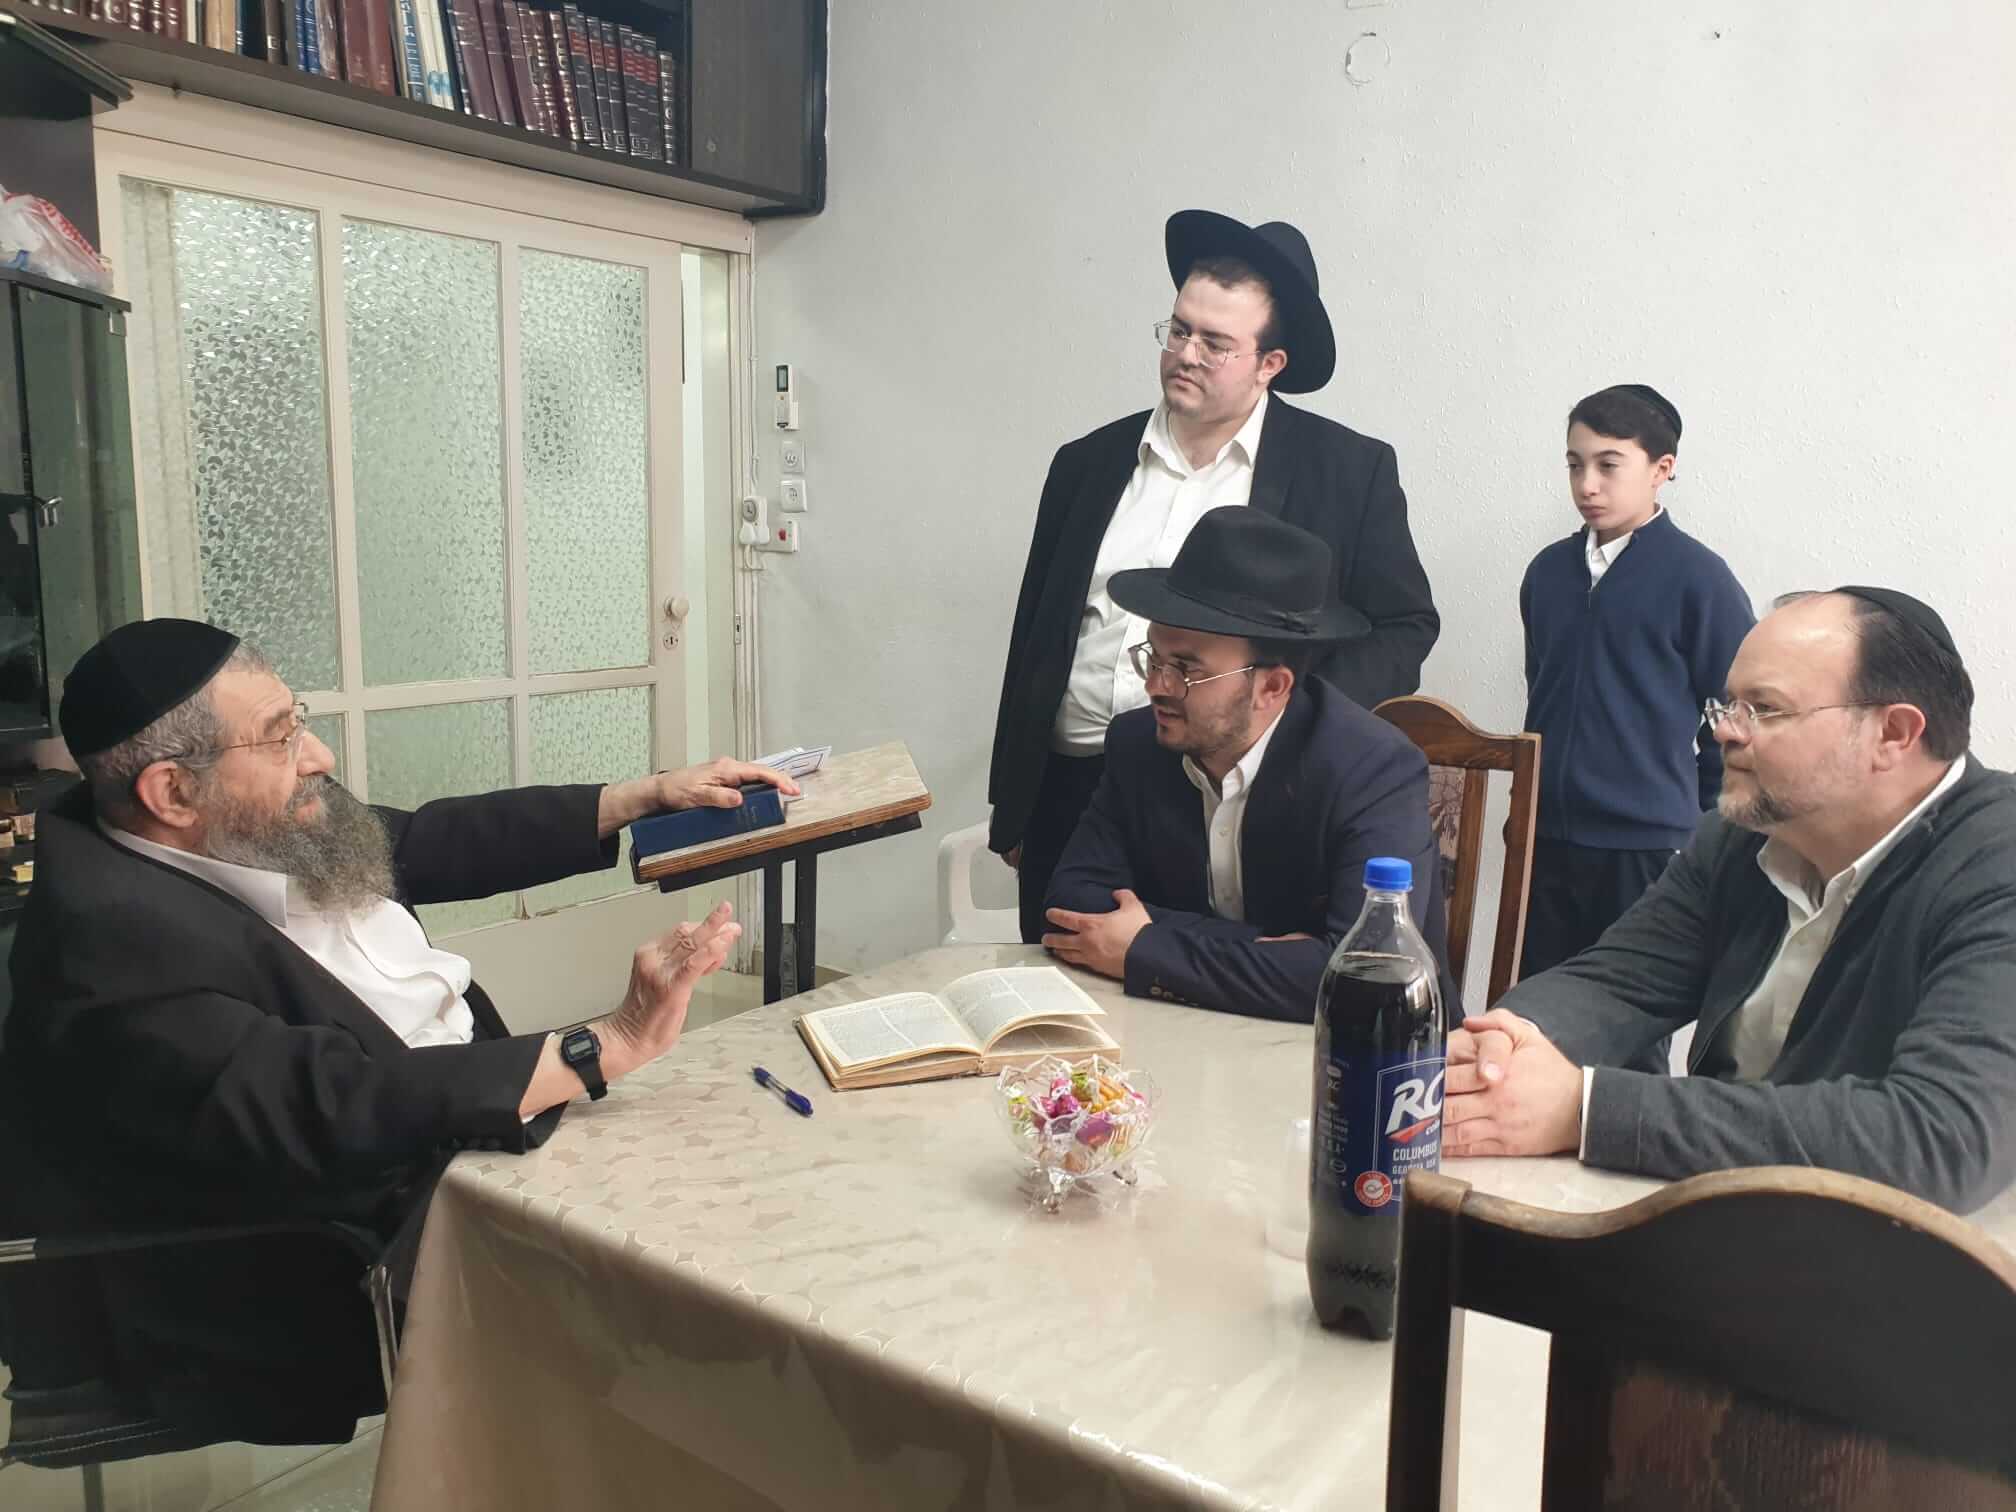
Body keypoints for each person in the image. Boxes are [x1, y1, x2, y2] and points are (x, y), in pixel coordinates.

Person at [0, 617, 795, 1441]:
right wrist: (602, 1044)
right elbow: (323, 1100)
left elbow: (415, 840)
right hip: (335, 1244)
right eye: (279, 737)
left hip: (460, 1128)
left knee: (742, 1176)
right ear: (172, 792)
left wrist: (644, 796)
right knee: (692, 1318)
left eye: (298, 720)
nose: (318, 756)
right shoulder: (106, 943)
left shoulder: (243, 814)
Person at [1443, 588, 2016, 1215]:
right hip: (1717, 1220)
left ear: (1894, 733)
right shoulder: (1742, 837)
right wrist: (1504, 1048)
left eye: (1764, 709)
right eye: (1727, 704)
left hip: (1896, 1257)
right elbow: (1616, 982)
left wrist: (1585, 1109)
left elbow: (1943, 1137)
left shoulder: (1997, 861)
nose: (1723, 730)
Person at [989, 209, 1440, 944]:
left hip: (1233, 791)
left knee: (1204, 981)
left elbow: (1405, 625)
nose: (1186, 355)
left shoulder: (1346, 470)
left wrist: (1289, 722)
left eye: (1215, 343)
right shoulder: (1086, 462)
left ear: (1270, 363)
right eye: (1178, 331)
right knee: (1066, 993)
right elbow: (1037, 628)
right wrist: (1014, 805)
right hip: (1073, 785)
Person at [1041, 509, 1453, 1022]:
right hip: (1192, 1031)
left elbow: (1366, 976)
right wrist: (1273, 952)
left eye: (1185, 669)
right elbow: (1070, 905)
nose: (1155, 686)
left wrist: (1146, 946)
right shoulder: (1137, 742)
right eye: (1154, 658)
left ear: (1271, 688)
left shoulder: (1374, 770)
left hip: (1366, 1053)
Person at [1518, 384, 1753, 976]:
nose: (1587, 485)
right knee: (1534, 1007)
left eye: (1608, 465)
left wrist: (1700, 828)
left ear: (1660, 469)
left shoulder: (1699, 579)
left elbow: (1736, 716)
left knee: (1630, 1006)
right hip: (1544, 842)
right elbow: (1540, 696)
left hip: (1646, 850)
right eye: (1575, 465)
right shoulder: (1547, 573)